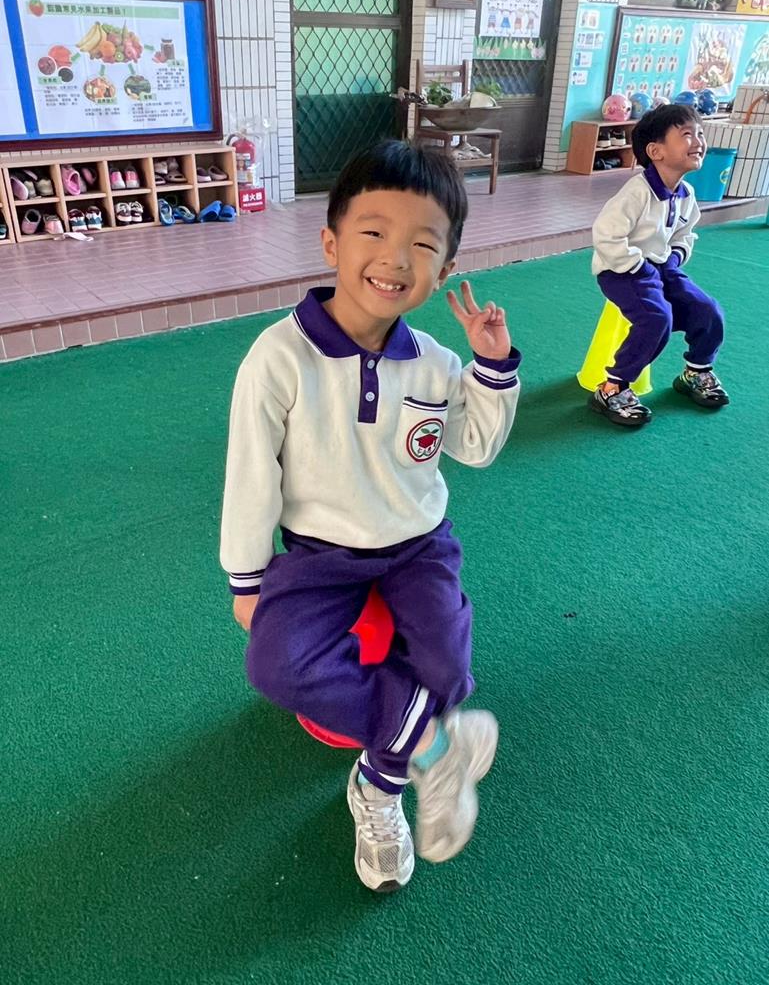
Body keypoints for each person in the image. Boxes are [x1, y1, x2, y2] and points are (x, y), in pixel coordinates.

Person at [220, 141, 522, 892]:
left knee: (449, 668)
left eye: (423, 244)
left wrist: (492, 367)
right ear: (331, 242)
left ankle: (378, 785)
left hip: (419, 547)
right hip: (319, 556)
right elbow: (252, 474)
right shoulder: (278, 356)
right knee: (276, 664)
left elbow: (475, 449)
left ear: (445, 269)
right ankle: (431, 752)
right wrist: (246, 577)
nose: (395, 258)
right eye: (374, 232)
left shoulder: (435, 363)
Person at [590, 103, 729, 426]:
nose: (698, 141)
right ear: (656, 151)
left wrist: (675, 258)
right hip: (621, 270)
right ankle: (612, 389)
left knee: (708, 310)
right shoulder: (636, 193)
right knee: (656, 319)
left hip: (662, 266)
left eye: (700, 133)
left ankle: (696, 371)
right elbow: (606, 236)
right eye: (686, 134)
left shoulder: (686, 194)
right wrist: (638, 266)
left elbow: (685, 233)